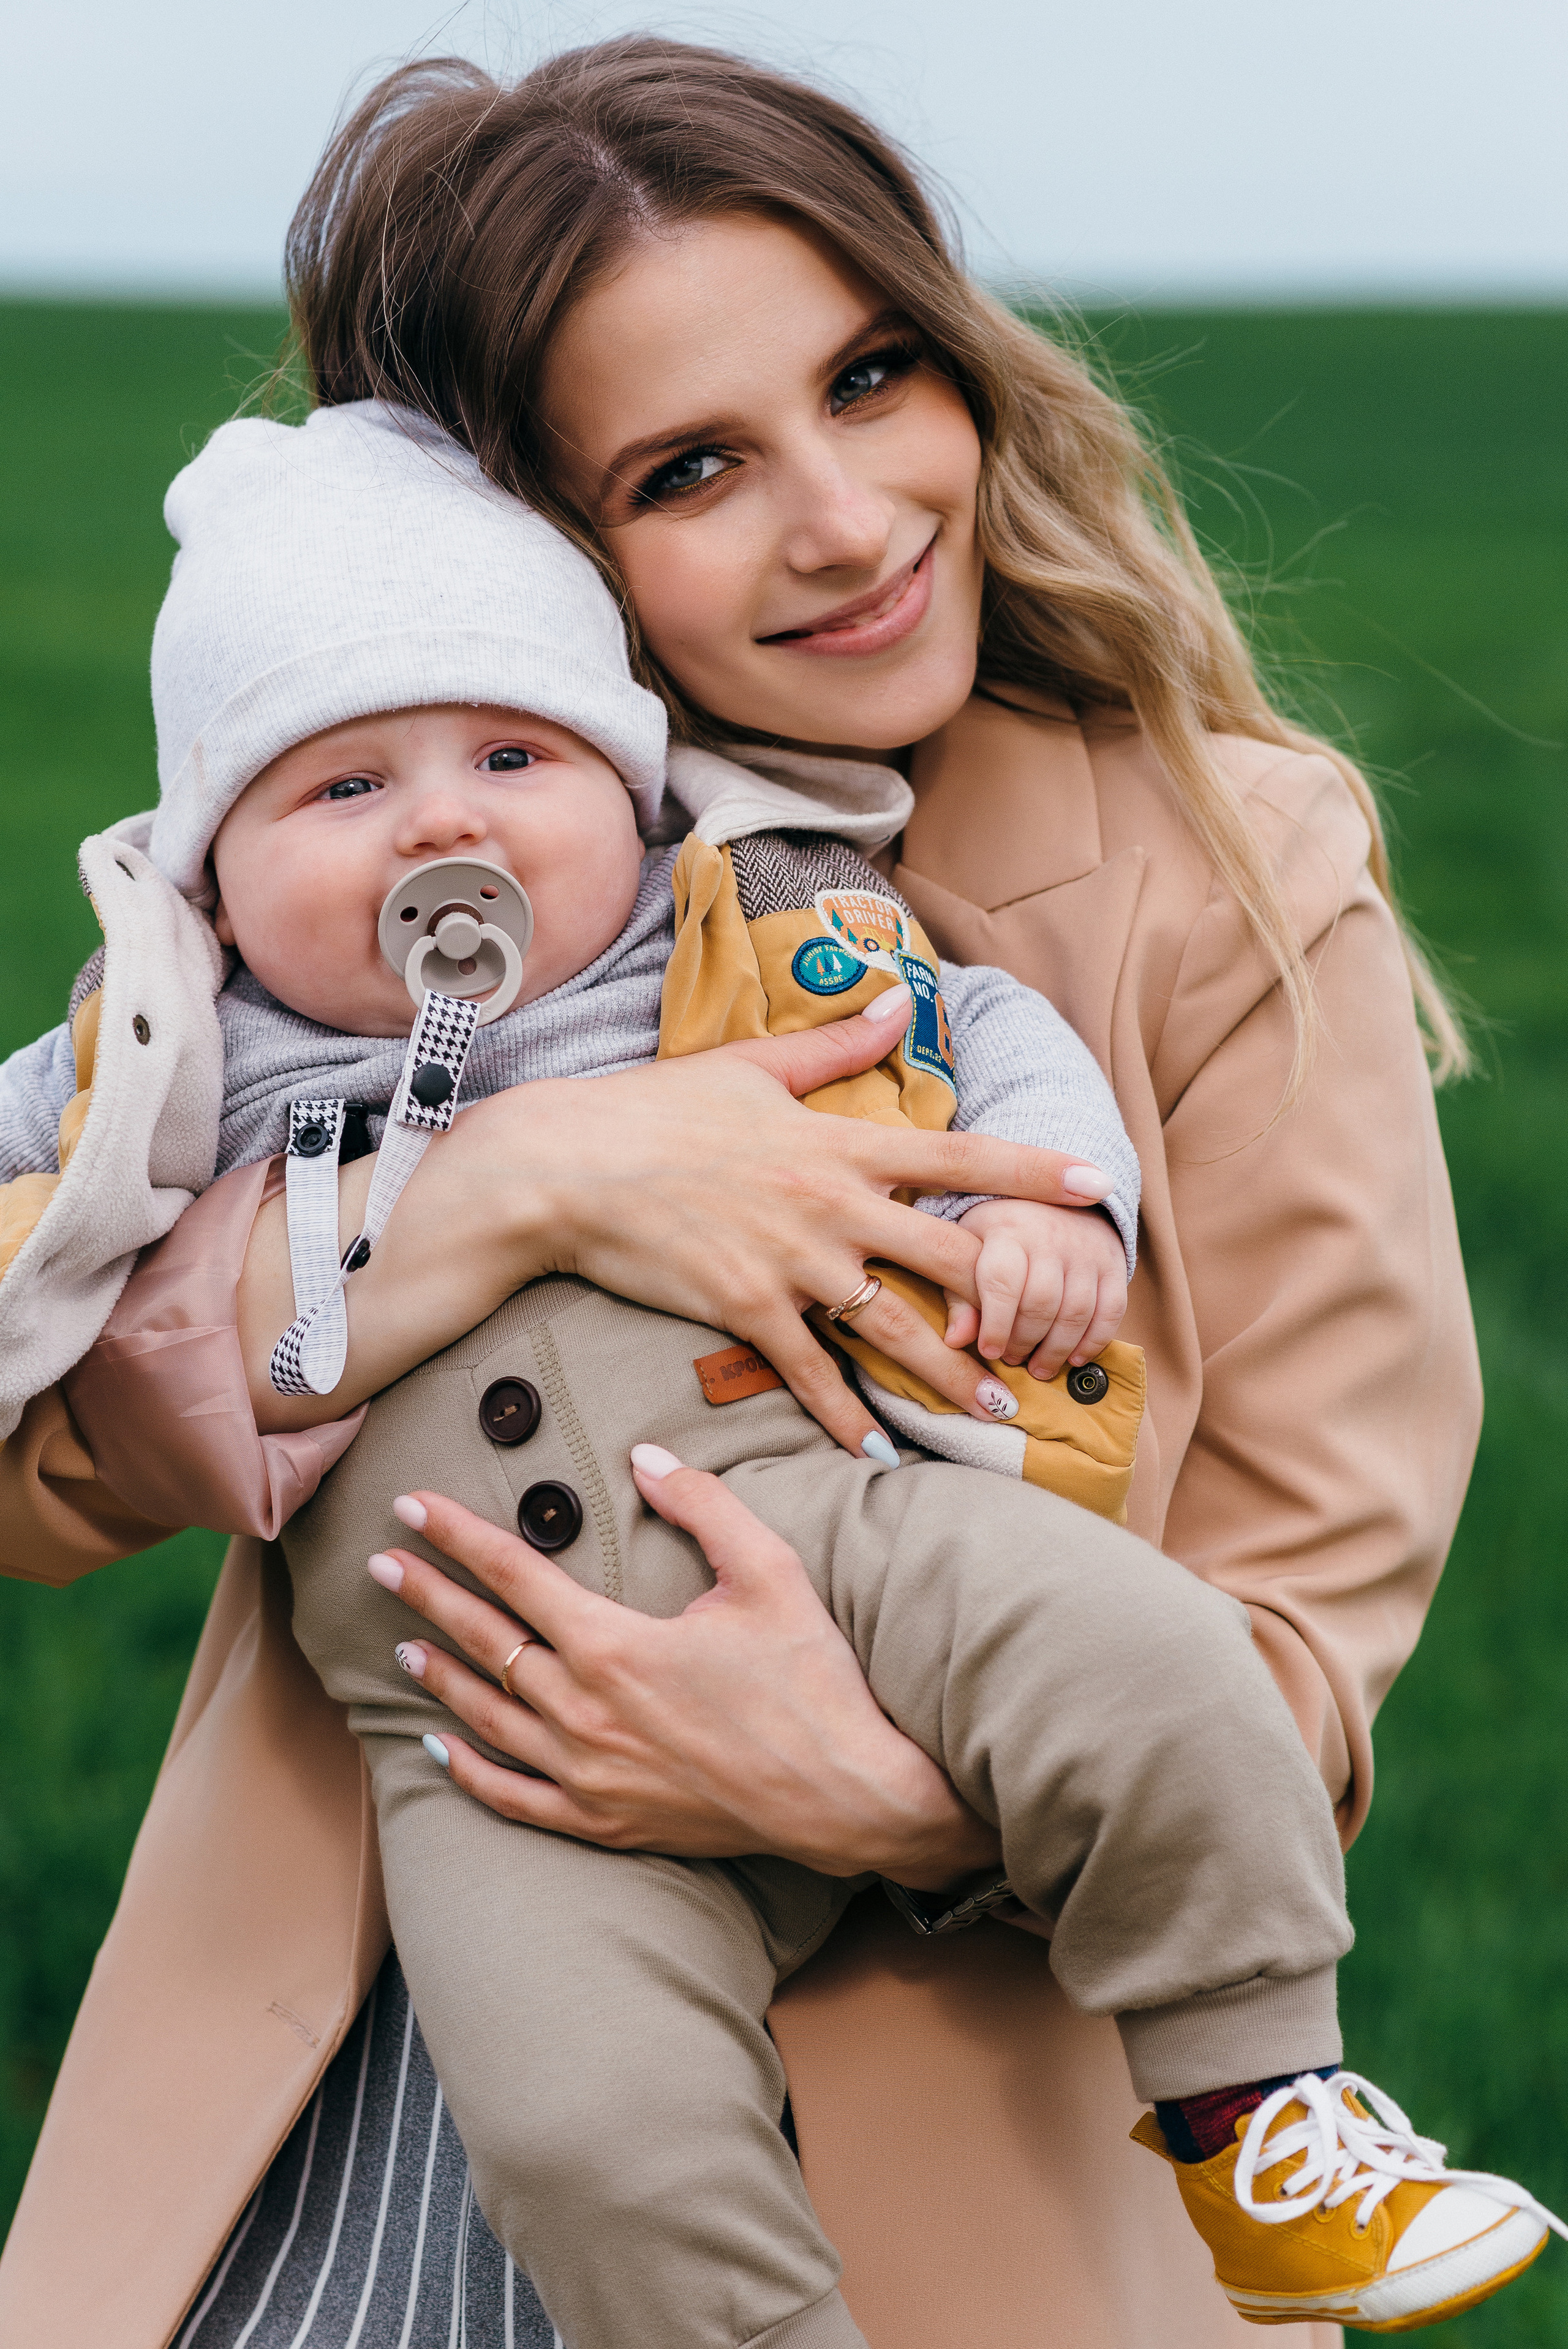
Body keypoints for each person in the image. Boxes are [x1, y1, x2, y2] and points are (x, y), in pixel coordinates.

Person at [0, 36, 1503, 2349]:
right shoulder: (378, 849)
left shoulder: (1231, 874)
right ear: (532, 541)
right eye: (692, 463)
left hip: (935, 2135)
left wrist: (873, 1791)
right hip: (361, 2072)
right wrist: (505, 1183)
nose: (848, 515)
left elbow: (1287, 1651)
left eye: (876, 374)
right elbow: (45, 1442)